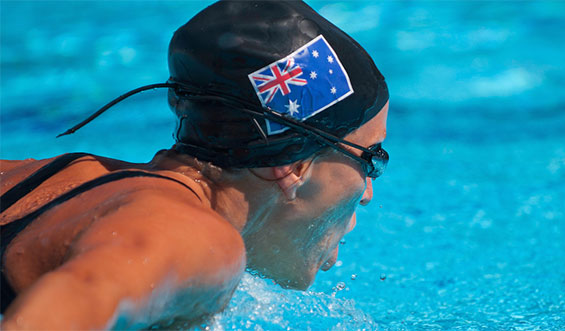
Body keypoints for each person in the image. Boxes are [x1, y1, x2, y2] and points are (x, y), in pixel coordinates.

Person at [0, 0, 389, 329]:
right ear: (295, 165)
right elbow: (76, 299)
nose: (368, 193)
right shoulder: (195, 237)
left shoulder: (58, 176)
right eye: (371, 159)